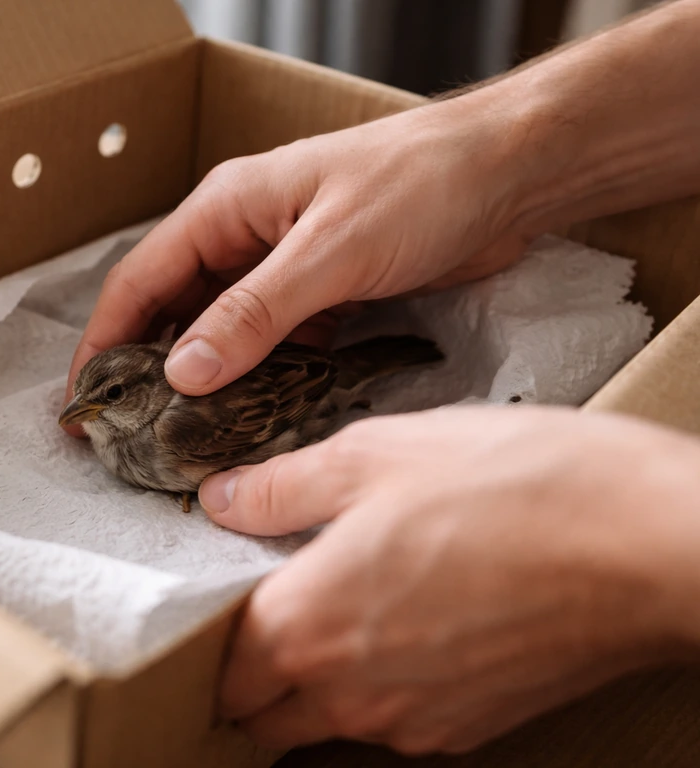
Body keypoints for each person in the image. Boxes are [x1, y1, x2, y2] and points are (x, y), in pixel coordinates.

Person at [64, 0, 700, 756]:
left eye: (111, 398)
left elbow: (287, 401)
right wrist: (491, 156)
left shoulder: (180, 428)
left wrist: (616, 543)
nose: (88, 412)